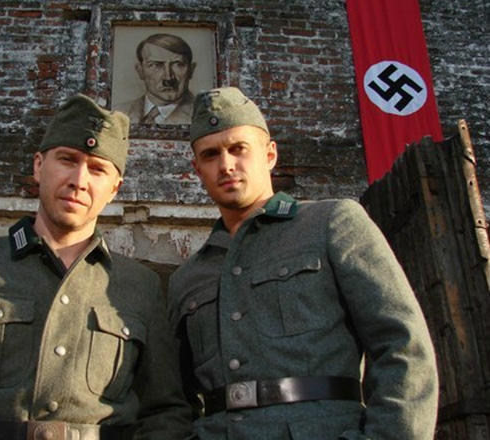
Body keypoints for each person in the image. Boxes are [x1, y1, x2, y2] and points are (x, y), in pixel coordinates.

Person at [0, 93, 194, 440]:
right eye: (67, 160)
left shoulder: (140, 287)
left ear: (114, 189)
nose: (79, 180)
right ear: (38, 166)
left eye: (97, 169)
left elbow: (165, 412)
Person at [167, 87, 439, 439]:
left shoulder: (331, 223)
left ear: (270, 155)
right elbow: (172, 398)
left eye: (238, 148)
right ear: (197, 170)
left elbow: (403, 345)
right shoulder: (187, 277)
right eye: (210, 155)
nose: (226, 165)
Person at [114, 33, 196, 125]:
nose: (168, 78)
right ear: (140, 71)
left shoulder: (203, 117)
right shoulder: (117, 112)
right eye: (156, 65)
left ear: (191, 70)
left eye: (178, 65)